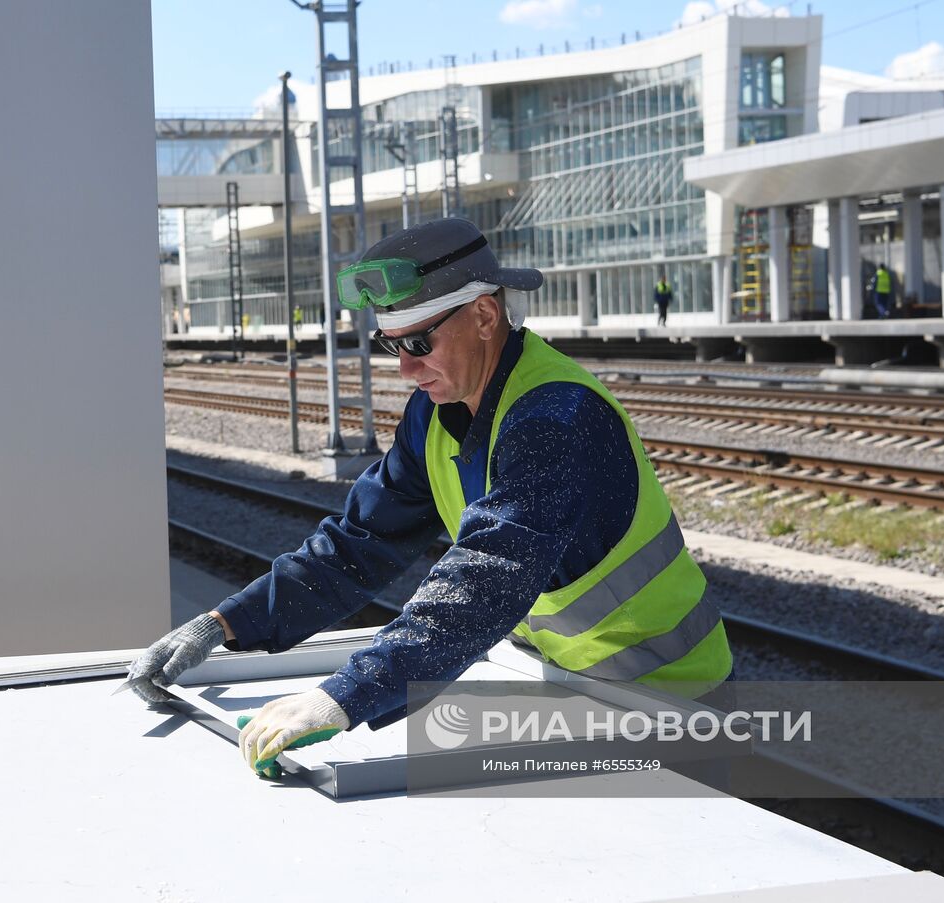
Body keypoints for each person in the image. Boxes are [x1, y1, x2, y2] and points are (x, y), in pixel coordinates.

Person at [127, 218, 733, 778]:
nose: (406, 371)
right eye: (393, 346)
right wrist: (228, 622)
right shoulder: (438, 413)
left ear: (485, 315)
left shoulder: (557, 417)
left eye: (419, 343)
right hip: (565, 687)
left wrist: (342, 695)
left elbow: (482, 582)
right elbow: (361, 541)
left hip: (669, 703)